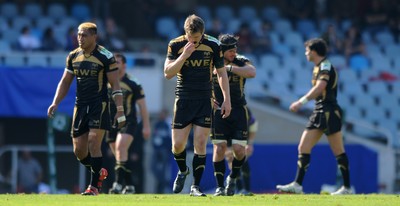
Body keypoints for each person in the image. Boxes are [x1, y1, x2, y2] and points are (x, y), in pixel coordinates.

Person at [47, 22, 126, 196]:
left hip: (99, 105)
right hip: (80, 106)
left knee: (93, 143)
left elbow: (115, 84)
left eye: (84, 35)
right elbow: (65, 81)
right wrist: (55, 102)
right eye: (78, 34)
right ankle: (99, 172)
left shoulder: (105, 56)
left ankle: (93, 188)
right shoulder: (73, 56)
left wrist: (119, 109)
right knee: (79, 151)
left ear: (94, 36)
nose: (80, 38)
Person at [164, 14, 231, 197]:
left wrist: (227, 99)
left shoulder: (213, 45)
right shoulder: (176, 45)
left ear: (203, 33)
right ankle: (183, 170)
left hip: (204, 100)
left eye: (197, 38)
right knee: (177, 146)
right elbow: (168, 73)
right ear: (185, 33)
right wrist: (184, 55)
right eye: (191, 38)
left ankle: (195, 186)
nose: (194, 41)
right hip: (183, 99)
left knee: (200, 143)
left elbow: (221, 73)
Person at [276, 38, 353, 195]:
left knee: (338, 150)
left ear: (313, 51)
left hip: (328, 111)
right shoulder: (318, 67)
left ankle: (346, 188)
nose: (305, 53)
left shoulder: (325, 65)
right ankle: (297, 185)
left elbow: (321, 87)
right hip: (319, 111)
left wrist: (301, 102)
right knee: (303, 147)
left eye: (307, 50)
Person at [210, 34, 256, 196]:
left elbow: (252, 72)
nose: (234, 52)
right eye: (230, 49)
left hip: (238, 111)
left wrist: (229, 68)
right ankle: (220, 187)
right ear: (221, 50)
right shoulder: (212, 61)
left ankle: (233, 178)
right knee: (220, 147)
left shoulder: (241, 60)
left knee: (239, 150)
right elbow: (203, 80)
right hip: (218, 111)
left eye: (235, 48)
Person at [106, 53, 151, 194]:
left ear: (124, 65)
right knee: (120, 156)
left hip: (128, 122)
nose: (114, 65)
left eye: (117, 62)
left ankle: (117, 185)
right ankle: (130, 185)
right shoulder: (106, 81)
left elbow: (142, 106)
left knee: (120, 148)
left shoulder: (133, 83)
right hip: (110, 123)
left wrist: (146, 126)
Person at [225, 108, 258, 195]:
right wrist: (226, 148)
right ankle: (239, 189)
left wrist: (250, 143)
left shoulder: (245, 110)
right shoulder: (224, 110)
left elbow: (253, 125)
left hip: (242, 138)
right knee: (232, 162)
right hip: (228, 139)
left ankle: (246, 189)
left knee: (243, 160)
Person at [151, 109, 172, 193]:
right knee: (153, 168)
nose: (160, 116)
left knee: (164, 170)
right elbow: (154, 137)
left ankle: (162, 188)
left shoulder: (168, 123)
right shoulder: (158, 124)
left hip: (165, 150)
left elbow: (170, 138)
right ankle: (161, 183)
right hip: (156, 150)